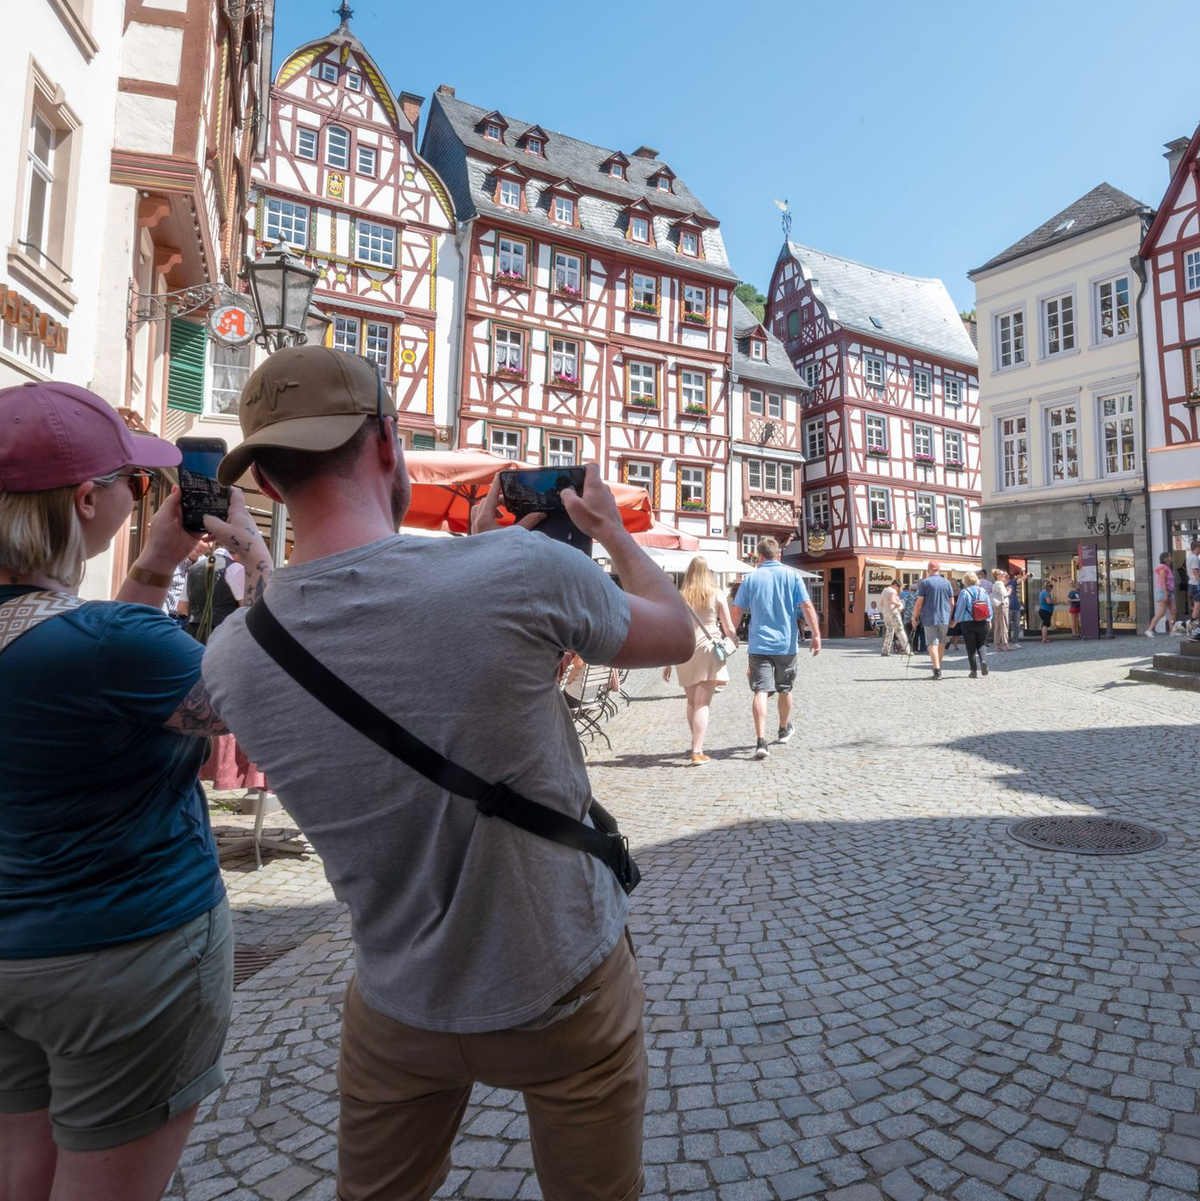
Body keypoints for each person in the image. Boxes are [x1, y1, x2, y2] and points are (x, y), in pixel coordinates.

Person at [202, 347, 695, 1201]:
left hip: (400, 1003)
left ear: (271, 485)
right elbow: (676, 633)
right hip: (563, 982)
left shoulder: (234, 656)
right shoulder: (526, 570)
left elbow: (350, 618)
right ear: (388, 443)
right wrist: (610, 532)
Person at [0, 382, 263, 1201]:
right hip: (127, 957)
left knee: (23, 1175)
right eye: (134, 482)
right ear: (86, 500)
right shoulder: (111, 642)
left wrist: (153, 567)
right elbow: (259, 696)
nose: (144, 496)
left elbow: (102, 692)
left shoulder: (79, 639)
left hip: (15, 953)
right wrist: (256, 559)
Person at [728, 537, 820, 759]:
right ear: (779, 555)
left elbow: (737, 609)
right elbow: (807, 605)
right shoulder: (792, 576)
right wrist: (816, 634)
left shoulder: (751, 578)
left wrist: (731, 633)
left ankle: (760, 742)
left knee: (760, 690)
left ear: (759, 557)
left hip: (759, 644)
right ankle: (782, 728)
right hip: (786, 644)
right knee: (785, 689)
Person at [663, 556, 738, 765]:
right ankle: (697, 750)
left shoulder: (680, 596)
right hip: (708, 650)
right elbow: (729, 627)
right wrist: (734, 640)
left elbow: (672, 630)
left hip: (685, 652)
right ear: (708, 572)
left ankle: (695, 743)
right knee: (702, 703)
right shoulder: (717, 594)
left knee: (691, 702)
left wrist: (668, 661)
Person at [910, 560, 954, 679]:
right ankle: (938, 666)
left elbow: (919, 602)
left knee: (932, 644)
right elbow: (952, 603)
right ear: (939, 570)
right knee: (941, 643)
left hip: (930, 617)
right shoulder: (947, 583)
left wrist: (914, 616)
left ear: (928, 570)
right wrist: (950, 618)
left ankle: (937, 669)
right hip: (944, 617)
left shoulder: (925, 583)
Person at [952, 571, 990, 678]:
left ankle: (973, 671)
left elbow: (960, 608)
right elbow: (988, 606)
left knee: (970, 647)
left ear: (965, 581)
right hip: (983, 621)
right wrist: (989, 619)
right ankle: (983, 661)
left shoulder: (964, 592)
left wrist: (956, 620)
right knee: (982, 644)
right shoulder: (982, 590)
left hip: (968, 622)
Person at [1145, 552, 1177, 638]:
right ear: (1165, 558)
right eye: (1170, 556)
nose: (1171, 557)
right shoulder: (1163, 568)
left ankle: (1172, 631)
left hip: (1169, 591)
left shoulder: (1167, 568)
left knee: (1173, 611)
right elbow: (1163, 581)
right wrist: (1165, 594)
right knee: (1161, 612)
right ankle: (1149, 629)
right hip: (1163, 591)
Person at [879, 578, 908, 657]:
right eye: (898, 587)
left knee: (889, 631)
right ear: (895, 585)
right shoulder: (892, 591)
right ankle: (907, 649)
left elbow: (881, 603)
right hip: (893, 612)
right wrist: (898, 603)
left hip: (885, 613)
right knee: (900, 630)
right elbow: (892, 600)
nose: (898, 589)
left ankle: (885, 650)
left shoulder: (884, 590)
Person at [991, 570, 1011, 651]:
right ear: (998, 576)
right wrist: (1009, 590)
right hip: (1002, 606)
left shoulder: (996, 584)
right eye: (1003, 574)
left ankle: (997, 645)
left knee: (998, 626)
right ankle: (1005, 644)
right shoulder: (999, 583)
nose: (1004, 576)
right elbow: (1005, 594)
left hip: (997, 606)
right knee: (1004, 625)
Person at [1008, 570, 1024, 642]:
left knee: (1017, 626)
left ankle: (1015, 641)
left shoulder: (1013, 582)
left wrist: (1027, 575)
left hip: (1016, 607)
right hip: (1007, 608)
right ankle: (1006, 641)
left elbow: (1020, 580)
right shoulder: (1000, 584)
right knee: (1007, 626)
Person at [1188, 539, 1200, 632]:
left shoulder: (1190, 557)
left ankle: (1195, 627)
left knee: (1197, 605)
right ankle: (1193, 627)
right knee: (1197, 605)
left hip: (1192, 583)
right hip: (1196, 584)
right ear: (1196, 547)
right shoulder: (1195, 558)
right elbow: (1195, 571)